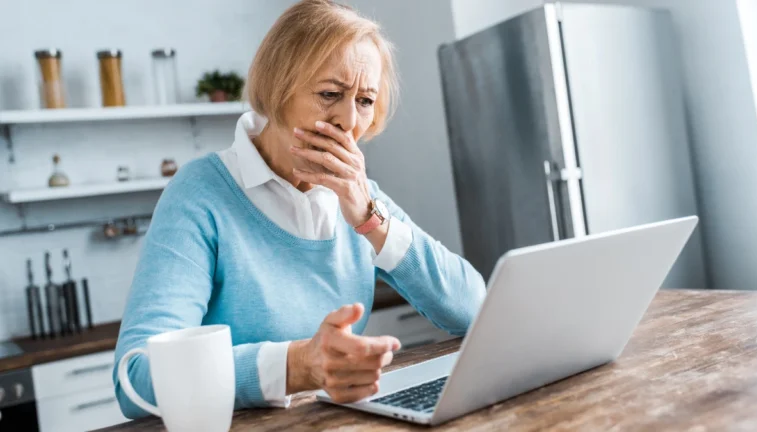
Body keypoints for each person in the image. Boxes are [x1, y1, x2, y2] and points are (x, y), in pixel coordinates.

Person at [113, 0, 485, 418]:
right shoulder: (200, 193)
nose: (348, 120)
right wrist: (297, 366)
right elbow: (136, 379)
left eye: (364, 100)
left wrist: (371, 219)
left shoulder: (360, 197)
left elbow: (473, 310)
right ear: (277, 90)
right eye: (330, 94)